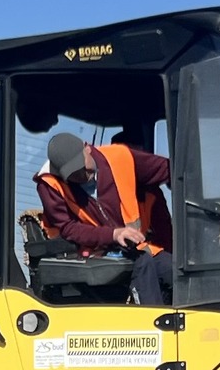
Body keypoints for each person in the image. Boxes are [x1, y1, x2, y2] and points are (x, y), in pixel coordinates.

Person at [35, 131, 174, 305]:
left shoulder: (120, 158)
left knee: (174, 271)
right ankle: (154, 324)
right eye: (72, 174)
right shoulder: (49, 184)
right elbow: (68, 229)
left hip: (137, 247)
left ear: (87, 148)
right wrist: (114, 234)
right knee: (143, 265)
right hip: (89, 251)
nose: (81, 175)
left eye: (80, 166)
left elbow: (171, 170)